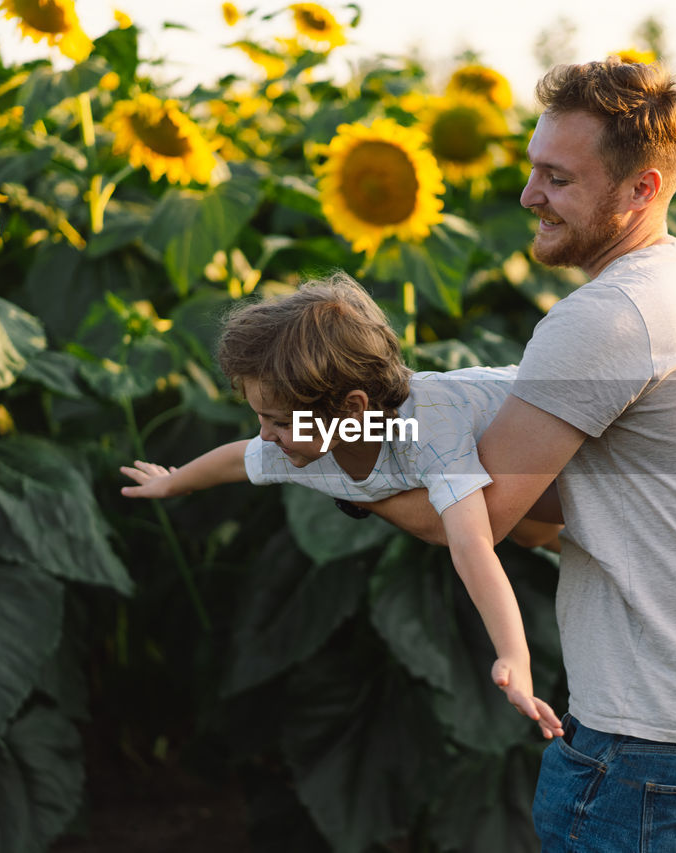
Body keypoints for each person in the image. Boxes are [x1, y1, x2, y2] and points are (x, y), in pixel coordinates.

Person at [359, 58, 676, 852]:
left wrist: (328, 463)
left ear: (642, 189)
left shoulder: (609, 316)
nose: (529, 197)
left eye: (556, 178)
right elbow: (552, 512)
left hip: (650, 728)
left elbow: (475, 520)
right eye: (532, 169)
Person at [118, 272, 565, 740]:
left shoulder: (427, 431)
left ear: (352, 408)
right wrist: (174, 484)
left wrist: (514, 655)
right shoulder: (311, 442)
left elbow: (472, 546)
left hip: (550, 418)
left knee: (535, 516)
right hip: (515, 472)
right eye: (260, 418)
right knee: (530, 531)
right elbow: (236, 459)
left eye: (278, 421)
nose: (267, 434)